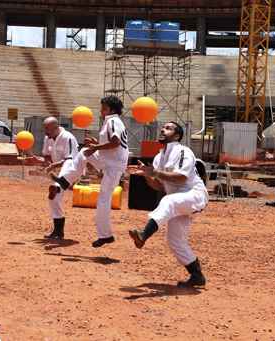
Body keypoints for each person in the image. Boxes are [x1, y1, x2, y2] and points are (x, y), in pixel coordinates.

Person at [127, 121, 208, 287]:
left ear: (177, 135)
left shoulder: (184, 151)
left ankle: (144, 234)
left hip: (194, 195)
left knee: (168, 200)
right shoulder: (158, 157)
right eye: (163, 127)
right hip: (177, 201)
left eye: (168, 128)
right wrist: (147, 175)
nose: (163, 130)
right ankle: (197, 275)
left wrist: (154, 172)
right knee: (175, 240)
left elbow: (182, 177)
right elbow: (159, 186)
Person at [51, 95, 129, 247]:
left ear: (111, 109)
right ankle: (66, 180)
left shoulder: (113, 121)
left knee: (103, 200)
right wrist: (95, 144)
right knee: (85, 152)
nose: (101, 110)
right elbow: (112, 143)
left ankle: (106, 235)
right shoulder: (111, 121)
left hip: (114, 164)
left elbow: (115, 142)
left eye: (103, 107)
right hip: (110, 160)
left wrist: (96, 147)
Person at [41, 117, 79, 239]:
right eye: (45, 129)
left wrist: (54, 165)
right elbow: (46, 155)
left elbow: (71, 159)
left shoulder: (68, 138)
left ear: (56, 128)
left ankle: (59, 185)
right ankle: (58, 231)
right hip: (57, 172)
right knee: (53, 199)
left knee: (55, 192)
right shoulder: (48, 138)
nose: (46, 132)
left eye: (48, 129)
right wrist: (43, 162)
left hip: (71, 171)